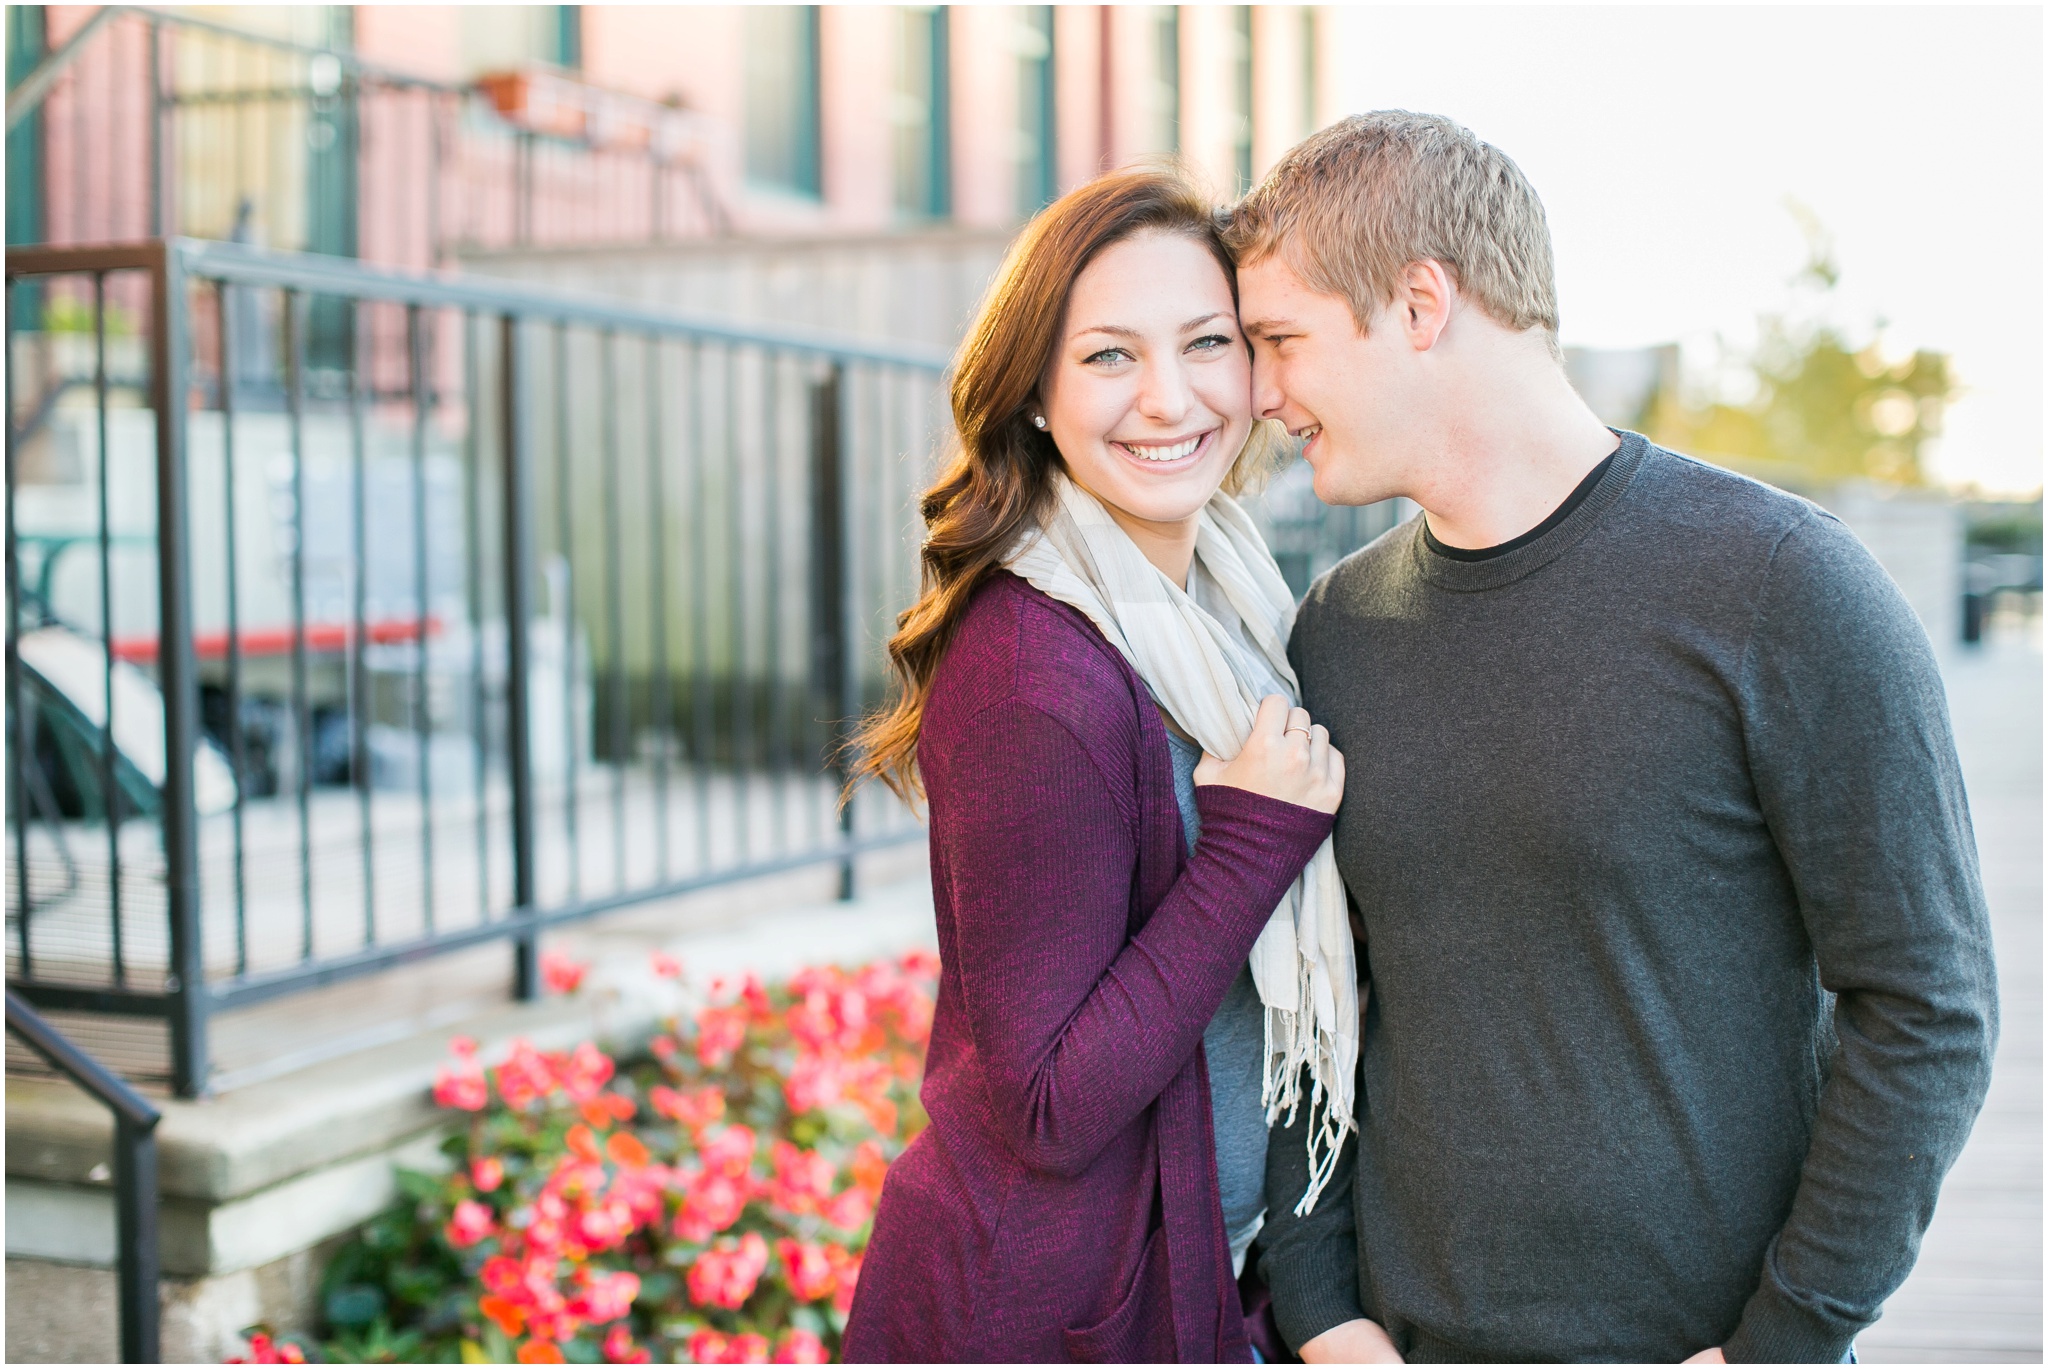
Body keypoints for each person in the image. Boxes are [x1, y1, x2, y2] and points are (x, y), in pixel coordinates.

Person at [1230, 111, 1999, 1365]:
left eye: (1280, 341)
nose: (1259, 394)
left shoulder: (1783, 590)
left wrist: (1780, 1346)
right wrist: (1322, 1309)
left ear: (1420, 303)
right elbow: (1320, 996)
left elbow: (1928, 1006)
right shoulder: (1339, 628)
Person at [840, 165, 1357, 1363]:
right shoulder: (1038, 672)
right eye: (1108, 356)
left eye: (1205, 343)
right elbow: (1047, 1102)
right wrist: (1243, 847)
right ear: (1032, 393)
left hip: (1193, 1276)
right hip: (1037, 1316)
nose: (1166, 398)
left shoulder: (1229, 622)